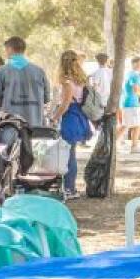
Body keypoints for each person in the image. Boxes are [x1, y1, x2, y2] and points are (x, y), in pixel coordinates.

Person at [50, 50, 93, 198]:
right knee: (70, 153)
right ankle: (70, 187)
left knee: (69, 155)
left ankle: (69, 188)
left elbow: (66, 104)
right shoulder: (80, 79)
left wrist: (54, 117)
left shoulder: (67, 81)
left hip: (71, 117)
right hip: (79, 116)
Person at [0, 37, 50, 142]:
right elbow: (46, 98)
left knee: (9, 157)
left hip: (10, 126)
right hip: (34, 126)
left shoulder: (1, 71)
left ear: (9, 49)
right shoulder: (39, 71)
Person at [120, 56, 140, 152]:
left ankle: (113, 145)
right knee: (136, 125)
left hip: (128, 102)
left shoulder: (130, 74)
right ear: (135, 64)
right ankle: (134, 146)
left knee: (127, 125)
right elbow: (136, 90)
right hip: (132, 103)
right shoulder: (134, 75)